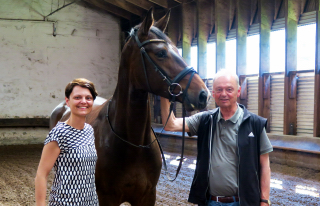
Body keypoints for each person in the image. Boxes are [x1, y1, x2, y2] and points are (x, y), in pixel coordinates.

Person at [160, 69, 273, 206]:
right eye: (219, 90)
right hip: (210, 202)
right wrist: (164, 94)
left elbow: (265, 165)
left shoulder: (255, 123)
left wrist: (264, 200)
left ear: (238, 92)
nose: (224, 94)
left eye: (229, 89)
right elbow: (170, 124)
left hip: (243, 202)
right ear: (213, 94)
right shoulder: (205, 120)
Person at [35, 78, 99, 206]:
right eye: (77, 97)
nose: (83, 101)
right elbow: (41, 174)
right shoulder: (59, 133)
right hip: (65, 203)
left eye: (88, 98)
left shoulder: (89, 130)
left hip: (91, 202)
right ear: (67, 101)